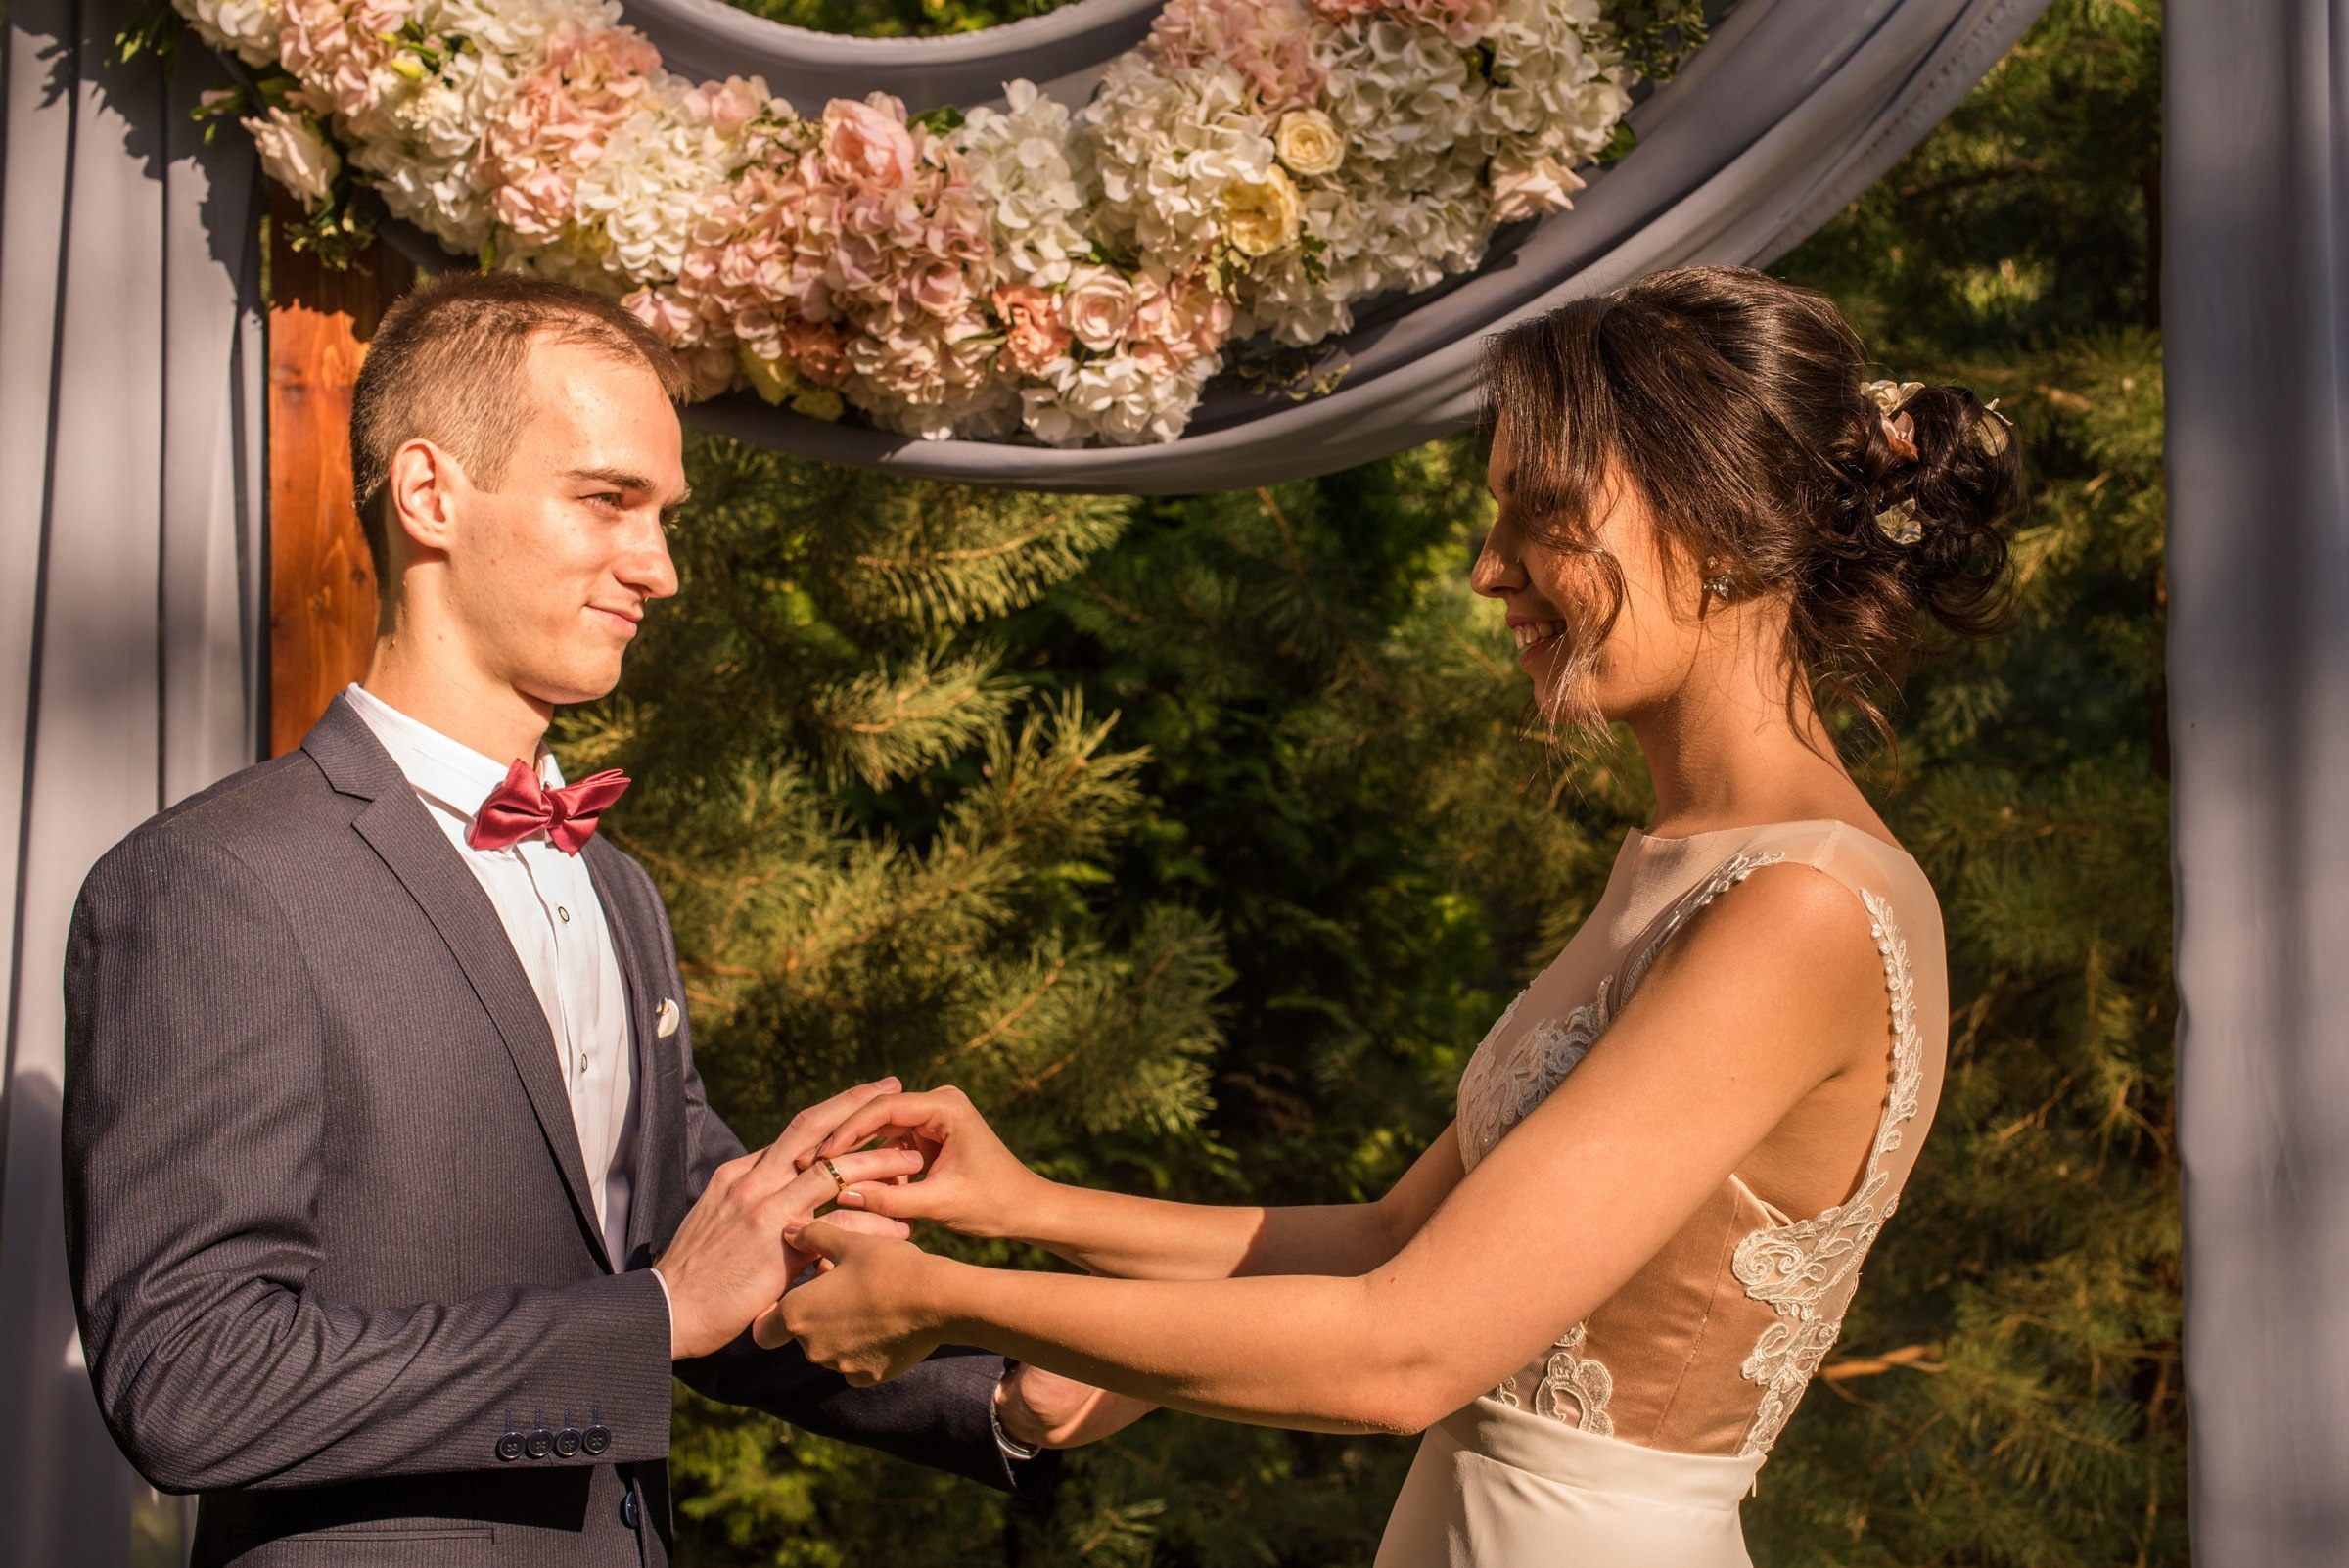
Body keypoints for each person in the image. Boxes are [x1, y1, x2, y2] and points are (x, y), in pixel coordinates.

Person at [759, 265, 2027, 1565]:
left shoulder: (1799, 907)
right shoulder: (1694, 862)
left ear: (1720, 522)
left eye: (1543, 515)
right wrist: (1026, 1206)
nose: (1490, 570)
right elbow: (1393, 1240)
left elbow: (1402, 1352)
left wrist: (942, 1299)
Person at [60, 270, 1117, 1568]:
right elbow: (190, 1379)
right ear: (430, 494)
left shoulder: (618, 889)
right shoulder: (215, 882)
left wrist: (992, 1387)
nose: (659, 568)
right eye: (608, 501)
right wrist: (652, 1316)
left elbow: (690, 1256)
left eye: (664, 516)